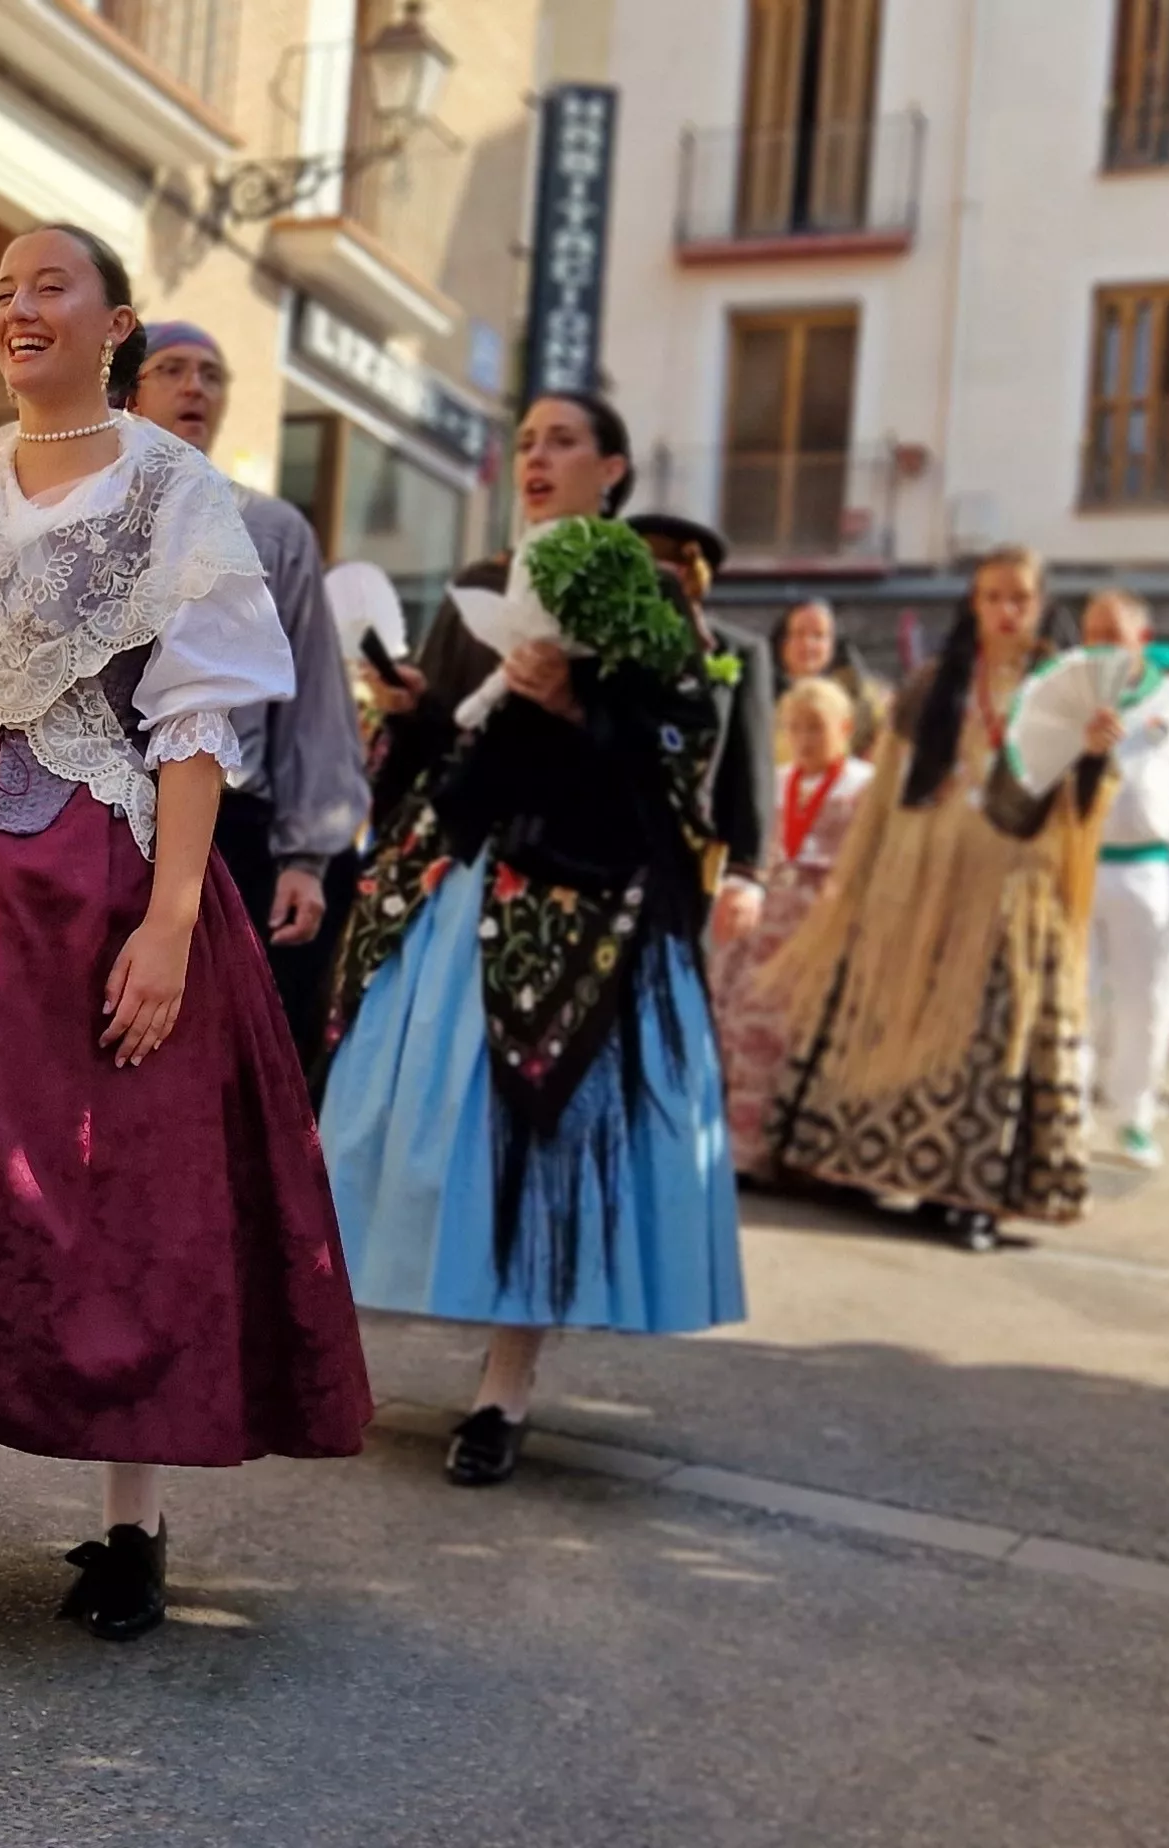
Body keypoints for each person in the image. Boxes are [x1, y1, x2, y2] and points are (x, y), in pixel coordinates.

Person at [0, 224, 372, 1698]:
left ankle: (129, 1528)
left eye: (51, 287)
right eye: (2, 292)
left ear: (115, 322)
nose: (19, 308)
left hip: (101, 888)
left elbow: (197, 724)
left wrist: (170, 924)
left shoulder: (176, 494)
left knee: (125, 1207)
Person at [324, 392, 755, 1489]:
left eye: (560, 441)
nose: (535, 457)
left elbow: (676, 743)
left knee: (542, 1131)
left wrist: (577, 705)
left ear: (611, 467)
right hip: (454, 879)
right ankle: (332, 1355)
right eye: (523, 442)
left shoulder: (645, 588)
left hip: (582, 892)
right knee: (408, 1120)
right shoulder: (475, 583)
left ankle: (500, 1388)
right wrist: (415, 709)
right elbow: (440, 754)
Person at [766, 547, 1117, 1250]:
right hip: (918, 881)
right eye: (992, 597)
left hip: (1011, 887)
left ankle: (970, 1192)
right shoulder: (933, 685)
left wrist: (1097, 754)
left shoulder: (1069, 690)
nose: (1006, 610)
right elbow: (888, 791)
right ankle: (858, 1164)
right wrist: (863, 876)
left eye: (1019, 596)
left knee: (990, 1032)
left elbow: (1079, 806)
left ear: (1043, 603)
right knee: (890, 1014)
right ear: (973, 605)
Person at [131, 320, 371, 1058]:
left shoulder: (271, 529)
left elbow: (314, 700)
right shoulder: (88, 513)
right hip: (102, 813)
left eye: (211, 373)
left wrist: (309, 855)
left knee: (212, 1052)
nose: (195, 386)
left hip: (229, 826)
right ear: (128, 390)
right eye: (172, 369)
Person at [1076, 589, 1169, 1170]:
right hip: (1081, 862)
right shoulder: (1070, 694)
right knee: (1079, 994)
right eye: (1091, 634)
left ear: (1141, 638)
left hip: (1148, 869)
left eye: (1111, 634)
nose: (1099, 645)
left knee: (1146, 998)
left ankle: (1134, 1115)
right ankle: (1073, 1109)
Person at [709, 678, 875, 1179]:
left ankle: (800, 1154)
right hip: (768, 920)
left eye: (817, 728)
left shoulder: (862, 786)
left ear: (845, 729)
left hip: (823, 921)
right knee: (742, 1026)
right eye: (796, 728)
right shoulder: (777, 781)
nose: (805, 739)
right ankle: (739, 1148)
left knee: (797, 1034)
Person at [627, 512, 779, 882]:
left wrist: (746, 872)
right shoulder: (607, 644)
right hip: (610, 843)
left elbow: (751, 763)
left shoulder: (738, 651)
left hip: (694, 853)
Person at [773, 597, 889, 759]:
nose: (808, 644)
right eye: (799, 634)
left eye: (818, 635)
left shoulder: (865, 698)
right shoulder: (760, 695)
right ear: (782, 641)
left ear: (833, 643)